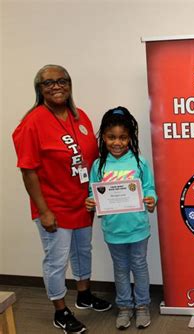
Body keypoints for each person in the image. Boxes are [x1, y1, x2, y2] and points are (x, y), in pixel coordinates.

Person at [12, 64, 112, 334]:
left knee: (83, 251)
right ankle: (60, 310)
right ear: (39, 89)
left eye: (62, 81)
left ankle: (84, 294)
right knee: (56, 260)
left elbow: (92, 158)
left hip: (82, 202)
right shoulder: (32, 122)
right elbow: (28, 171)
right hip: (53, 206)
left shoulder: (80, 117)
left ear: (69, 85)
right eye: (49, 83)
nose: (56, 86)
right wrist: (43, 210)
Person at [85, 106, 157, 330]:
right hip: (113, 230)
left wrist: (151, 199)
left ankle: (142, 306)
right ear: (104, 138)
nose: (117, 142)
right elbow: (92, 192)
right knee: (120, 269)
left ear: (130, 138)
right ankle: (124, 307)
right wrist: (90, 201)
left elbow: (150, 189)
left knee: (140, 266)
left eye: (123, 137)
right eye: (112, 137)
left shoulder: (139, 162)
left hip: (137, 228)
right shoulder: (99, 165)